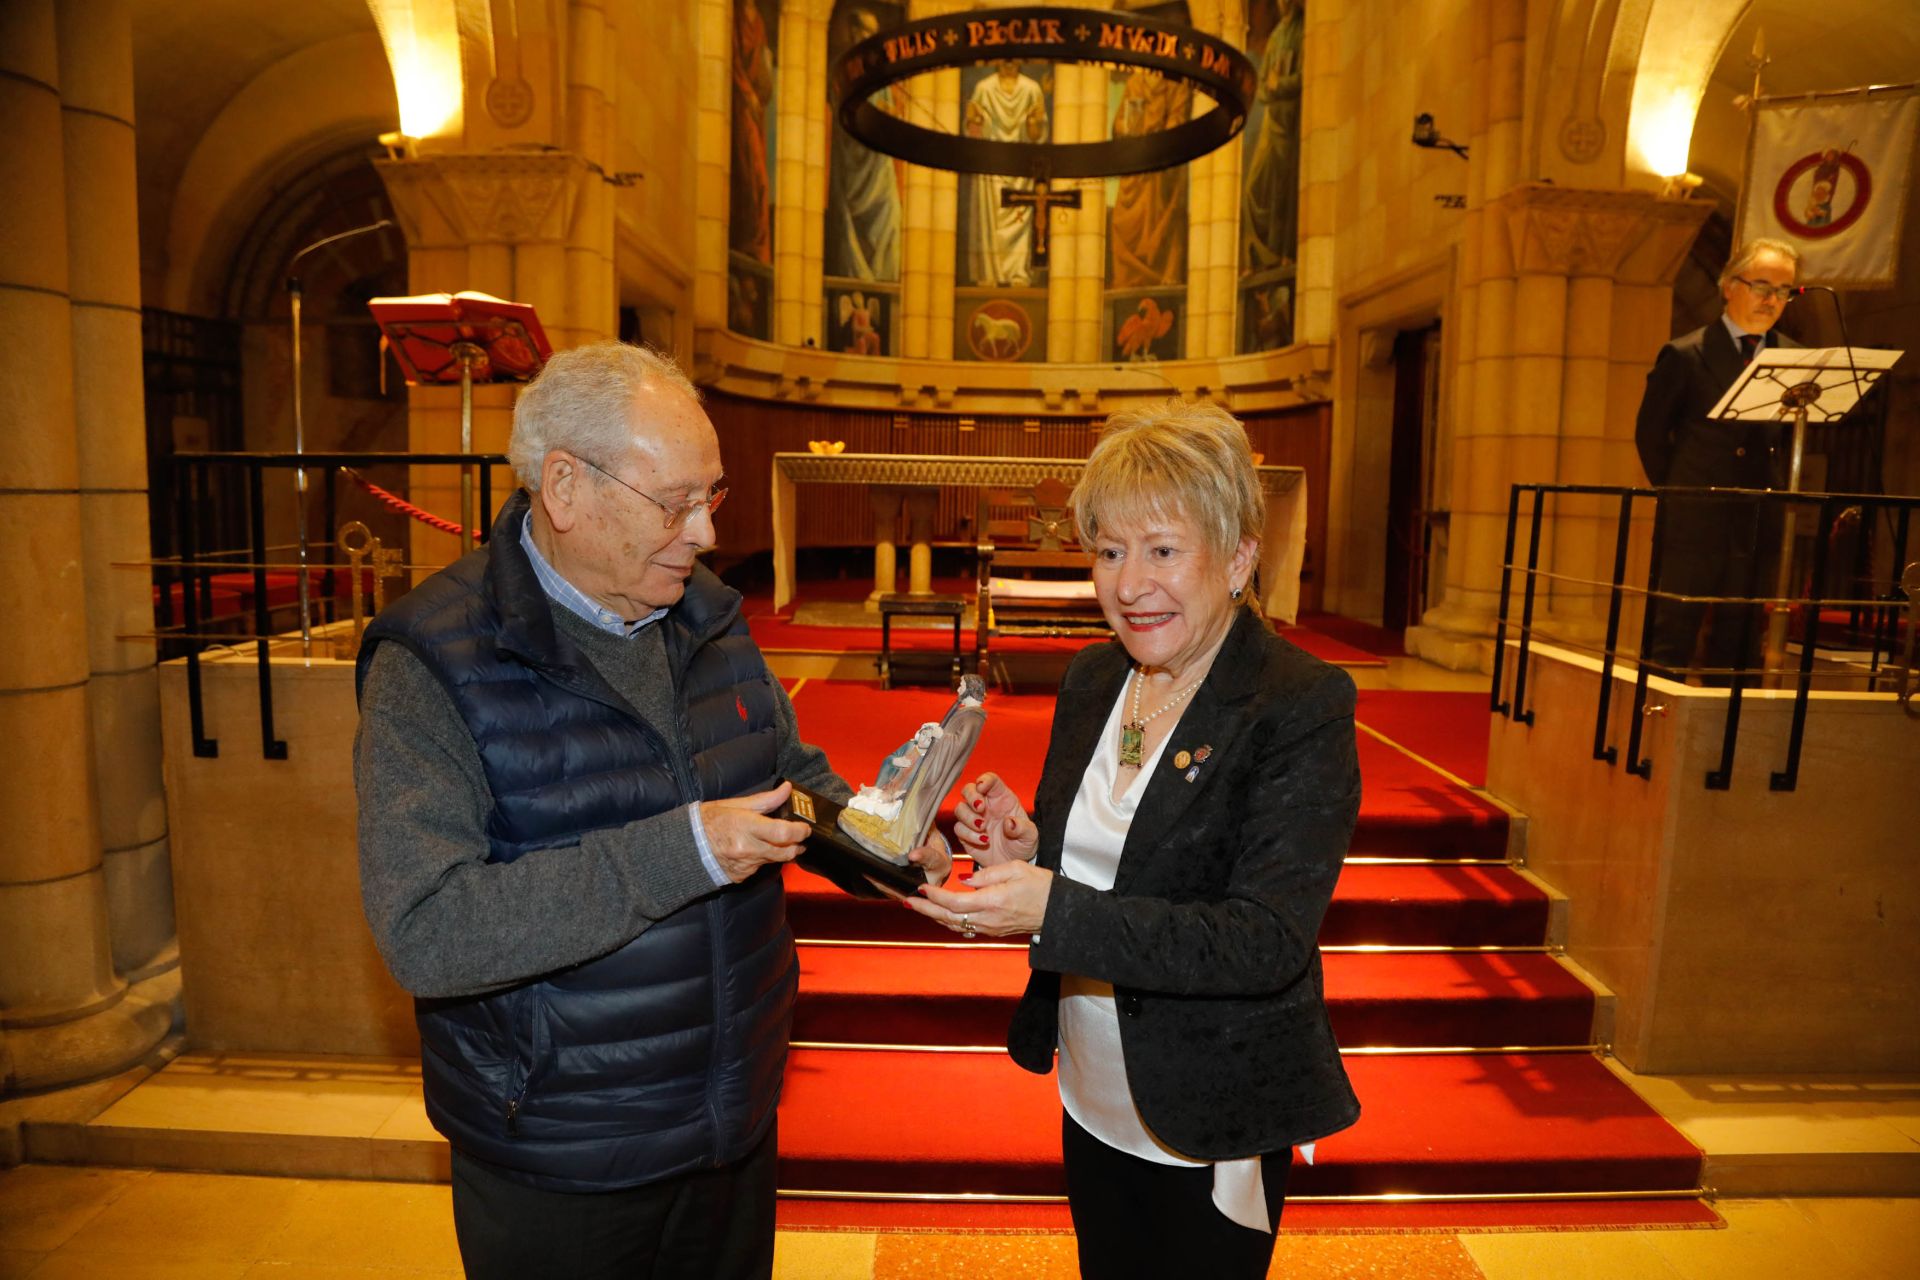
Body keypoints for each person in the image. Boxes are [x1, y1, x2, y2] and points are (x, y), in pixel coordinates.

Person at [353, 343, 942, 1279]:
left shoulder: (704, 611)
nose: (705, 532)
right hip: (566, 1150)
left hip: (728, 1120)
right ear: (565, 489)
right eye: (675, 503)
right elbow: (428, 931)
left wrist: (898, 842)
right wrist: (687, 849)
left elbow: (787, 774)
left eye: (712, 496)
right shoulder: (433, 662)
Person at [908, 401, 1362, 1278]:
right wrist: (1024, 848)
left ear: (1236, 557)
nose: (1127, 584)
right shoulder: (1094, 678)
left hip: (1209, 1110)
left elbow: (1263, 940)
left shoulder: (1296, 703)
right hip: (1094, 1091)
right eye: (1110, 552)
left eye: (1162, 550)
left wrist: (1055, 907)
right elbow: (1109, 859)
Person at [1634, 238, 1802, 680]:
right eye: (1761, 285)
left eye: (1784, 290)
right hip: (1695, 514)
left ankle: (1729, 736)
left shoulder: (1795, 357)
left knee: (1742, 635)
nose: (1772, 299)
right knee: (1673, 631)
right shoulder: (1686, 354)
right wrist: (1679, 493)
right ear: (1729, 286)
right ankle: (1654, 732)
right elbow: (1650, 434)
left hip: (1757, 515)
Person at [963, 60, 1049, 287]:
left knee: (1021, 217)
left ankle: (1018, 272)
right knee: (988, 219)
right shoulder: (984, 88)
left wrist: (1034, 123)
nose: (1010, 61)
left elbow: (1036, 137)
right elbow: (975, 135)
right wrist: (974, 120)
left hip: (1020, 168)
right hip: (991, 167)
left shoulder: (1031, 89)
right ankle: (988, 273)